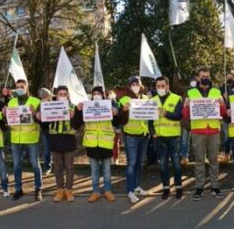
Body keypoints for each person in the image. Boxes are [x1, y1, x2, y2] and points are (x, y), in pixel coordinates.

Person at [182, 66, 227, 200]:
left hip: (213, 130)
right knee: (199, 161)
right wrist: (186, 105)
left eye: (207, 76)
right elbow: (185, 115)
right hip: (198, 131)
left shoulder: (216, 91)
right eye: (203, 76)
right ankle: (199, 187)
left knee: (214, 160)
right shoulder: (190, 93)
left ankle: (215, 186)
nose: (205, 78)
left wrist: (222, 104)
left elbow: (223, 113)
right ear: (198, 78)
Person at [72, 86, 119, 203]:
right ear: (91, 96)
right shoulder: (87, 107)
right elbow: (76, 125)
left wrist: (116, 113)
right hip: (92, 143)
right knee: (94, 170)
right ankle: (95, 192)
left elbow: (118, 123)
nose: (96, 95)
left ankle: (108, 191)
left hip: (106, 143)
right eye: (94, 93)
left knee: (107, 170)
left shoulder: (109, 106)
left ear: (103, 95)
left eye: (99, 93)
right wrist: (78, 110)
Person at [4, 79, 43, 201]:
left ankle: (38, 189)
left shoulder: (36, 101)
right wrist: (4, 114)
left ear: (27, 88)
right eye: (18, 86)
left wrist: (35, 113)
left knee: (35, 165)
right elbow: (7, 122)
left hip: (31, 138)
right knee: (16, 166)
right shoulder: (11, 102)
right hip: (16, 139)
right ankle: (18, 189)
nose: (20, 88)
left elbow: (42, 120)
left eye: (22, 86)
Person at [39, 86, 77, 203]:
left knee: (69, 167)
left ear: (68, 95)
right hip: (55, 141)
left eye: (65, 94)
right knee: (58, 167)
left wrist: (74, 116)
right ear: (57, 95)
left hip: (69, 141)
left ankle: (69, 190)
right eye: (60, 94)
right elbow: (45, 126)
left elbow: (78, 125)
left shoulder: (73, 107)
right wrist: (40, 118)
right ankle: (60, 190)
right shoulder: (50, 106)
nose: (62, 96)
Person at [149, 76, 184, 200]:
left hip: (174, 136)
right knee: (163, 164)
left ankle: (179, 188)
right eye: (158, 86)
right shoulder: (152, 100)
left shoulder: (176, 98)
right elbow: (149, 120)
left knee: (176, 163)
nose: (160, 88)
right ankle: (166, 188)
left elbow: (179, 115)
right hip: (159, 137)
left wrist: (165, 113)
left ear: (168, 86)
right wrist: (152, 132)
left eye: (162, 86)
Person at [118, 76, 150, 204]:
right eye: (133, 84)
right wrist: (124, 111)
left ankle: (136, 187)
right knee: (131, 163)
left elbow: (150, 116)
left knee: (140, 162)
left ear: (141, 85)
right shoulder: (124, 99)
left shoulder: (146, 99)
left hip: (144, 134)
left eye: (137, 84)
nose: (135, 86)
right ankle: (130, 190)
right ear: (129, 86)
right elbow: (120, 120)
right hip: (131, 135)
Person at [180, 76, 198, 165]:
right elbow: (176, 86)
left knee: (198, 141)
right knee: (184, 140)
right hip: (186, 120)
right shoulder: (185, 91)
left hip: (197, 121)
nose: (193, 83)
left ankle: (199, 156)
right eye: (192, 81)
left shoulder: (200, 92)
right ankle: (184, 157)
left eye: (195, 81)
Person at [219, 72, 234, 163]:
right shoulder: (221, 89)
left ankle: (232, 153)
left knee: (233, 136)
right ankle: (227, 154)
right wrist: (223, 97)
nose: (230, 78)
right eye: (228, 77)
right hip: (225, 118)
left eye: (231, 77)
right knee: (227, 137)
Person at [39, 87, 54, 175]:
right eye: (48, 96)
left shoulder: (53, 104)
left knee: (55, 149)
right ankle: (48, 167)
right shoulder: (40, 105)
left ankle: (58, 165)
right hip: (45, 131)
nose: (49, 97)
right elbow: (38, 119)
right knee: (47, 150)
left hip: (54, 130)